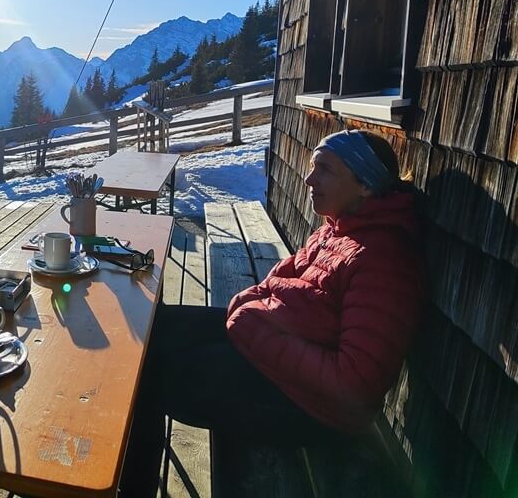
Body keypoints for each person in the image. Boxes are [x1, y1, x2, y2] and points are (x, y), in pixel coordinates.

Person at [119, 130, 425, 495]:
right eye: (313, 167)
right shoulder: (337, 231)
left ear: (365, 186)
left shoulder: (382, 260)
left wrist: (257, 333)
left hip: (310, 409)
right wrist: (250, 313)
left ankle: (131, 488)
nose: (309, 179)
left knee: (155, 377)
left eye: (325, 170)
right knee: (155, 330)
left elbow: (354, 386)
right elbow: (277, 283)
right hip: (276, 350)